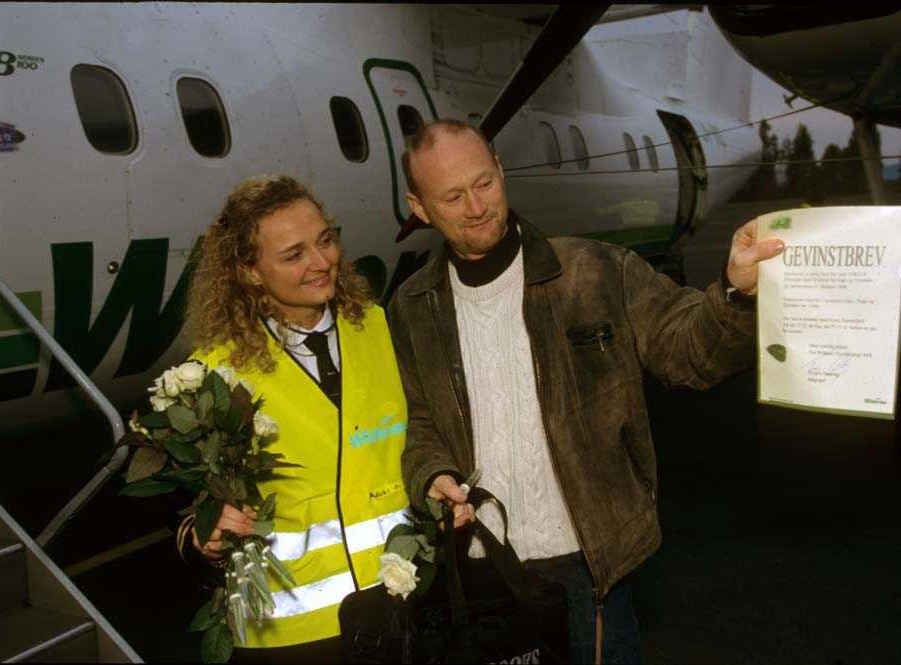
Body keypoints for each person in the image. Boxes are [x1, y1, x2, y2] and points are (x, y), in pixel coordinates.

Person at [386, 118, 785, 665]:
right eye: (452, 197)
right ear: (420, 208)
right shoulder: (413, 307)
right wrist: (432, 474)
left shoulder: (592, 271)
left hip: (589, 564)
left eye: (484, 183)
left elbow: (690, 352)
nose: (476, 206)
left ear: (501, 171)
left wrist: (736, 293)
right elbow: (420, 421)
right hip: (479, 568)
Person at [180, 175, 410, 663]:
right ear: (250, 272)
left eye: (326, 240)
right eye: (294, 255)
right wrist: (202, 535)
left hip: (406, 606)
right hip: (289, 636)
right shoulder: (213, 374)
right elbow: (191, 511)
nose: (322, 262)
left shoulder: (385, 330)